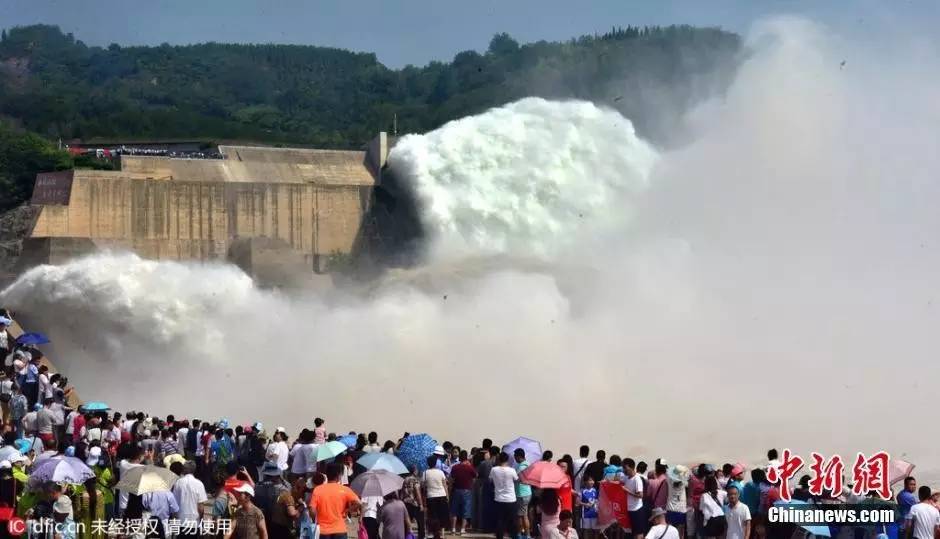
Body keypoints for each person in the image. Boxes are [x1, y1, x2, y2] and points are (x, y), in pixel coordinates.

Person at [309, 462, 361, 539]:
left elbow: (312, 509)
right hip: (340, 529)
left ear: (327, 475)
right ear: (338, 476)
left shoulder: (318, 490)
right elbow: (358, 503)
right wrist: (347, 510)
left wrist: (315, 520)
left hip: (323, 531)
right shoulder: (345, 489)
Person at [172, 461, 208, 534]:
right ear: (194, 470)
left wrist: (174, 519)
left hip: (181, 520)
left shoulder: (178, 483)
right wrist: (201, 519)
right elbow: (201, 507)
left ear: (183, 470)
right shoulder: (199, 484)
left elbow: (174, 504)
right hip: (194, 521)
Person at [491, 452, 519, 539]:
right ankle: (514, 537)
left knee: (500, 521)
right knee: (513, 522)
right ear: (507, 460)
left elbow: (490, 481)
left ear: (499, 460)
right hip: (511, 499)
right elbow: (517, 480)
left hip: (499, 499)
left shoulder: (494, 470)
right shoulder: (512, 470)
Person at [450, 450, 477, 535]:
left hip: (456, 490)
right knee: (466, 510)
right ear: (466, 458)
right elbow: (476, 475)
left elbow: (451, 479)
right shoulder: (470, 467)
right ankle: (462, 529)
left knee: (454, 510)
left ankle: (453, 529)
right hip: (467, 490)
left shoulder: (455, 467)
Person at [423, 455, 449, 539]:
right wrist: (447, 495)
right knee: (442, 515)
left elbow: (423, 485)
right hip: (442, 495)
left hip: (431, 496)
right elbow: (445, 485)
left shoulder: (425, 473)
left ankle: (431, 533)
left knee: (432, 516)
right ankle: (442, 533)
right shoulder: (440, 472)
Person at [622, 458, 646, 539]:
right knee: (630, 532)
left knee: (638, 533)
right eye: (623, 468)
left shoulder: (637, 479)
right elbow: (618, 481)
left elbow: (640, 495)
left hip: (637, 510)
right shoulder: (626, 478)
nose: (624, 470)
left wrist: (627, 491)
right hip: (629, 510)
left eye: (625, 468)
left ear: (632, 467)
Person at [402, 465, 426, 539]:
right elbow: (417, 492)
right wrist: (421, 504)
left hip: (406, 503)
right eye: (417, 470)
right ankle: (421, 537)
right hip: (415, 503)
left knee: (407, 522)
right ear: (414, 471)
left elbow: (402, 492)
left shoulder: (405, 479)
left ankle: (406, 536)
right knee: (421, 522)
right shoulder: (415, 480)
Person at [514, 448, 533, 539]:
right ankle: (525, 534)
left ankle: (523, 534)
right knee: (524, 514)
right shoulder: (528, 464)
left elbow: (516, 479)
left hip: (521, 493)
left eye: (515, 456)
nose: (514, 459)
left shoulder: (521, 467)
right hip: (527, 492)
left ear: (518, 456)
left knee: (521, 516)